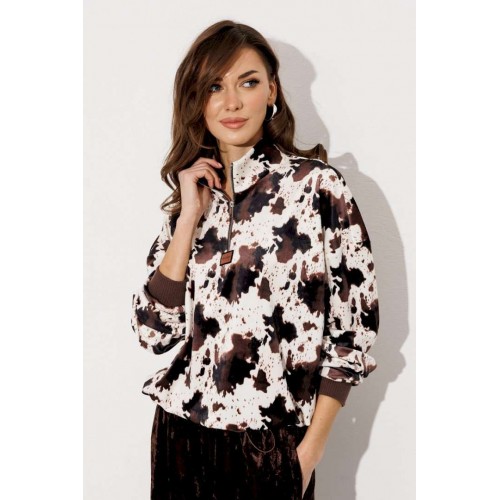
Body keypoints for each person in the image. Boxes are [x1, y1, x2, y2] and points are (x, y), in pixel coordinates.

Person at [131, 19, 380, 500]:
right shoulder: (192, 199)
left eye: (247, 82)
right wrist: (188, 220)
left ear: (272, 91)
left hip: (271, 446)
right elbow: (152, 331)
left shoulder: (317, 188)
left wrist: (307, 455)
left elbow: (352, 333)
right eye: (214, 87)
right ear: (197, 101)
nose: (231, 102)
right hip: (181, 437)